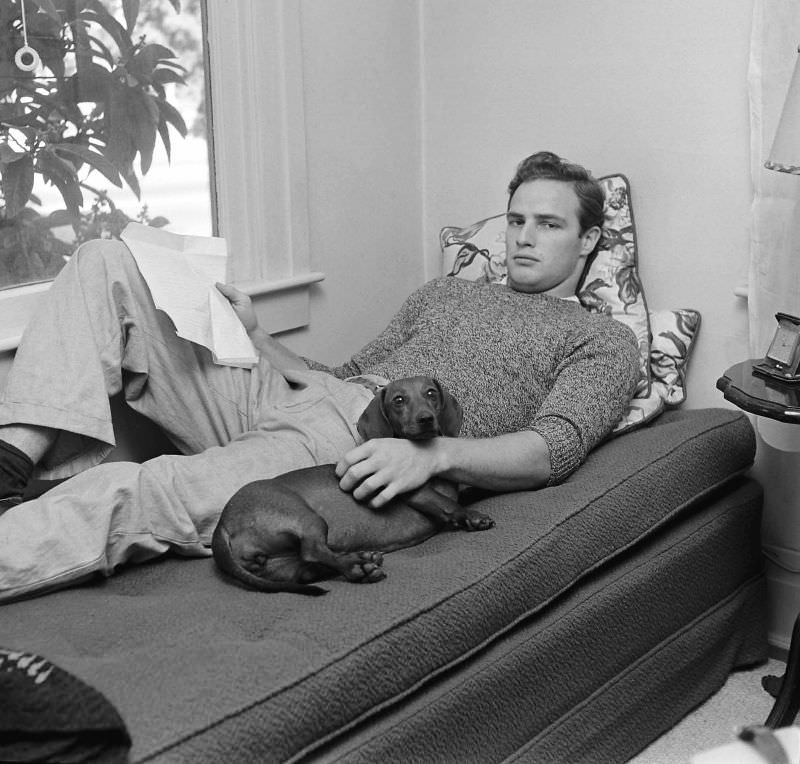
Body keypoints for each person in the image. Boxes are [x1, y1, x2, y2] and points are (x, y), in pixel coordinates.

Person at [0, 151, 640, 601]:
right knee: (107, 259)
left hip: (353, 446)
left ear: (587, 242)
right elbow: (344, 374)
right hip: (301, 400)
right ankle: (10, 464)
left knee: (144, 488)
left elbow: (551, 448)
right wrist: (255, 337)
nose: (523, 238)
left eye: (549, 225)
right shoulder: (443, 293)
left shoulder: (602, 340)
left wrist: (435, 456)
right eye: (516, 220)